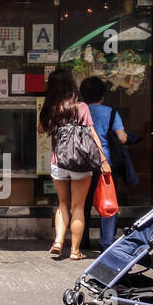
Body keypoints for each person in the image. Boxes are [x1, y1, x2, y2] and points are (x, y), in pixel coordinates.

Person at [40, 69, 110, 261]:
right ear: (72, 85)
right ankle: (75, 251)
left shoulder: (51, 107)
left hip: (59, 161)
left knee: (62, 204)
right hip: (81, 163)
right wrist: (103, 159)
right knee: (78, 206)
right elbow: (92, 134)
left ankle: (58, 242)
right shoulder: (82, 107)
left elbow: (40, 129)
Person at [79, 76, 127, 251]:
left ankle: (81, 241)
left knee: (82, 203)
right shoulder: (111, 112)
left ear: (82, 95)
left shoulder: (79, 111)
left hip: (81, 162)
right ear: (103, 95)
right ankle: (106, 242)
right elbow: (122, 138)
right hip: (104, 164)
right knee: (107, 201)